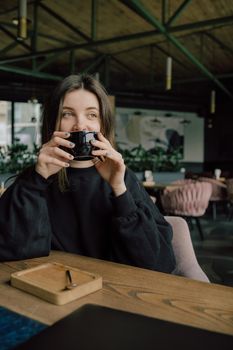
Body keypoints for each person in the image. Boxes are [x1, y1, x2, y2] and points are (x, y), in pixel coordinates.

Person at [0, 74, 175, 273]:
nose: (80, 125)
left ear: (103, 124)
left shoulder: (123, 178)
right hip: (51, 287)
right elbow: (12, 250)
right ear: (53, 123)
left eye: (91, 115)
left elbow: (158, 262)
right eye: (67, 114)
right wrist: (37, 179)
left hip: (114, 289)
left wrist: (119, 189)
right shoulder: (33, 180)